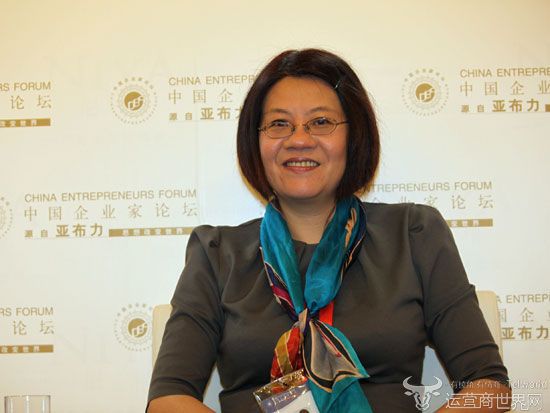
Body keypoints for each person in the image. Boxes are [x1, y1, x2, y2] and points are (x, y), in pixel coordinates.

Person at [147, 49, 511, 412]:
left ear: (354, 137)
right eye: (279, 124)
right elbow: (168, 400)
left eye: (320, 122)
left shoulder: (413, 234)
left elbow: (489, 386)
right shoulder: (216, 253)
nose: (299, 139)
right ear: (255, 141)